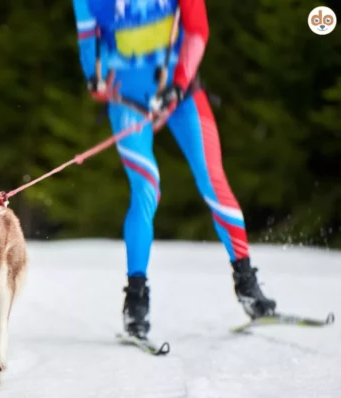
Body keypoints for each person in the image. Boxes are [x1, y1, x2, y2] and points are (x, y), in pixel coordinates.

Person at [72, 0, 276, 339]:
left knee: (214, 182)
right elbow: (87, 40)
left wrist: (179, 85)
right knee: (146, 188)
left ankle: (246, 283)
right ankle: (136, 298)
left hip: (180, 93)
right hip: (127, 100)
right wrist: (94, 79)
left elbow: (197, 30)